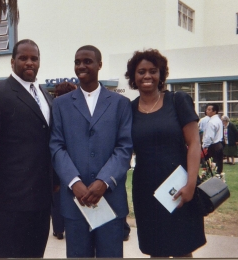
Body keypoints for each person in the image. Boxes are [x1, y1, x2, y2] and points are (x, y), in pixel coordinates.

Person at [0, 39, 54, 258]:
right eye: (23, 58)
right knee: (5, 253)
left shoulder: (45, 95)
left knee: (34, 253)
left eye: (34, 58)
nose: (29, 62)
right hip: (8, 199)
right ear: (12, 62)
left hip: (41, 196)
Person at [50, 45, 133, 258]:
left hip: (110, 200)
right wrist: (73, 182)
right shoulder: (60, 104)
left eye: (87, 61)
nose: (81, 66)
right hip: (74, 201)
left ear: (99, 65)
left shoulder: (120, 103)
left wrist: (104, 181)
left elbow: (124, 148)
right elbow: (56, 146)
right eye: (77, 62)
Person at [124, 49, 206, 257]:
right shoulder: (129, 109)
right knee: (155, 250)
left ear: (161, 74)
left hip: (178, 187)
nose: (147, 76)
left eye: (153, 71)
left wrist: (191, 184)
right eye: (141, 71)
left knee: (182, 250)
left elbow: (194, 143)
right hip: (146, 190)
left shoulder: (178, 101)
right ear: (133, 76)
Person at [51, 81, 78, 240]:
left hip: (56, 158)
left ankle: (58, 229)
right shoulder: (71, 108)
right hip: (70, 158)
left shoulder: (53, 107)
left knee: (57, 195)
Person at [202, 103, 224, 174]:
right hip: (219, 144)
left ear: (214, 111)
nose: (207, 111)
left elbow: (209, 136)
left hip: (213, 146)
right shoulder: (219, 120)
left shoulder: (211, 122)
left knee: (211, 167)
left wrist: (204, 146)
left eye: (209, 109)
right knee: (219, 166)